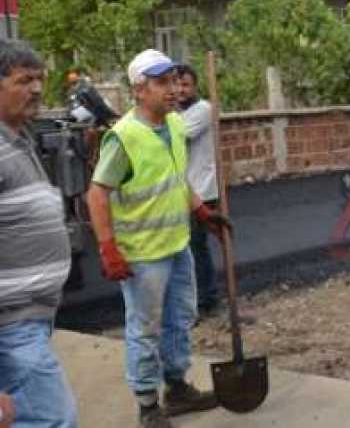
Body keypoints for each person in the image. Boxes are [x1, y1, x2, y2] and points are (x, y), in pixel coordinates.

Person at [86, 49, 231, 428]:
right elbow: (97, 193)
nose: (172, 89)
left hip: (176, 243)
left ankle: (178, 387)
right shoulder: (124, 137)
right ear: (138, 90)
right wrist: (107, 247)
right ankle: (148, 404)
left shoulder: (176, 126)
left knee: (180, 319)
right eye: (162, 83)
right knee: (145, 328)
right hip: (142, 255)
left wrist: (200, 210)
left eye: (174, 81)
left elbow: (176, 178)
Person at [0, 40, 79, 427]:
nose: (36, 89)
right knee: (52, 419)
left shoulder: (17, 140)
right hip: (10, 326)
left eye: (39, 79)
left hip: (28, 321)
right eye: (23, 80)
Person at [175, 64, 221, 318]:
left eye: (186, 85)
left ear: (195, 87)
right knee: (187, 249)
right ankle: (194, 299)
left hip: (201, 190)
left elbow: (174, 135)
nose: (181, 90)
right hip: (181, 190)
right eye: (177, 84)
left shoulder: (202, 110)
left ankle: (206, 299)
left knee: (195, 247)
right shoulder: (175, 113)